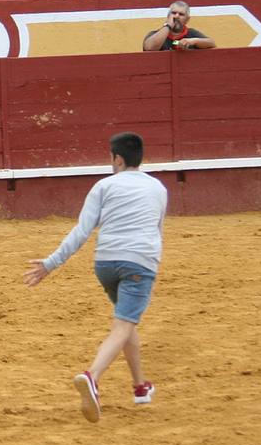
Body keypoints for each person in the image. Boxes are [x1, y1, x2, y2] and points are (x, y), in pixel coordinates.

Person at [23, 132, 167, 423]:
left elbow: (82, 231)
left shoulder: (104, 186)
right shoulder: (158, 188)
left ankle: (140, 387)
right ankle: (93, 376)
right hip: (139, 262)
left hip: (105, 263)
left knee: (124, 322)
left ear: (117, 158)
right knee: (125, 323)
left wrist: (51, 264)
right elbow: (157, 228)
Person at [142, 1, 215, 51]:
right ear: (168, 16)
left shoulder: (191, 33)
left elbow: (211, 43)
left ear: (187, 19)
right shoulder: (156, 34)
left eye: (181, 14)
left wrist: (194, 41)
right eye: (174, 13)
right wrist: (168, 26)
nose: (176, 16)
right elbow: (150, 48)